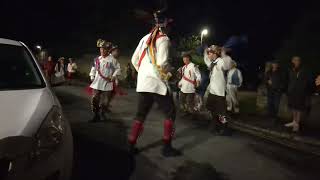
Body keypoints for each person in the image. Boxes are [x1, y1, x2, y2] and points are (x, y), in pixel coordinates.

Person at [128, 15, 181, 157]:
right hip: (157, 83)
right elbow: (163, 63)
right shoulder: (163, 39)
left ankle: (131, 145)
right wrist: (172, 74)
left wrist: (144, 73)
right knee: (170, 113)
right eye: (170, 27)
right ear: (166, 26)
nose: (170, 29)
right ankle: (166, 147)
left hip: (143, 83)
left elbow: (134, 59)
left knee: (140, 115)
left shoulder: (144, 38)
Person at [88, 39, 120, 122]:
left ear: (107, 50)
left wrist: (114, 76)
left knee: (105, 102)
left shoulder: (112, 59)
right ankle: (96, 115)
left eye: (104, 49)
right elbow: (93, 68)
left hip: (107, 83)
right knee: (94, 99)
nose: (102, 51)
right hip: (97, 83)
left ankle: (102, 113)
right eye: (101, 49)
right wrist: (92, 76)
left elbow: (118, 69)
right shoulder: (97, 59)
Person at [204, 45, 232, 135]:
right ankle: (214, 124)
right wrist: (206, 50)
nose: (208, 55)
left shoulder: (220, 61)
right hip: (213, 91)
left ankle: (225, 128)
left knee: (221, 113)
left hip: (219, 92)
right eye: (208, 54)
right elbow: (206, 60)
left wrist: (223, 54)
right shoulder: (213, 63)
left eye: (210, 53)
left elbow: (227, 66)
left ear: (215, 54)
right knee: (211, 108)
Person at [285, 56, 312, 132]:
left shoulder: (304, 69)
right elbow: (288, 80)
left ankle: (297, 124)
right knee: (293, 107)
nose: (296, 61)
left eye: (297, 60)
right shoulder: (290, 69)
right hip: (292, 91)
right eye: (294, 60)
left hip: (301, 92)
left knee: (299, 108)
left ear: (299, 61)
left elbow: (308, 80)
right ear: (292, 61)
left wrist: (305, 89)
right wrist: (288, 89)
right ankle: (294, 121)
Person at [107, 44, 122, 111]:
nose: (117, 53)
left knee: (111, 93)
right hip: (107, 79)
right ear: (112, 51)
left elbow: (117, 70)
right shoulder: (109, 59)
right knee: (107, 94)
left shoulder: (115, 60)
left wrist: (116, 80)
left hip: (111, 80)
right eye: (116, 51)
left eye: (117, 51)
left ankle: (106, 105)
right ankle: (104, 106)